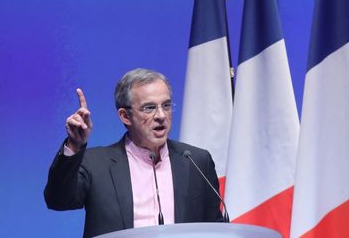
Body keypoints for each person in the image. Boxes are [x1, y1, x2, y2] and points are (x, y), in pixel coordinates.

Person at [44, 68, 223, 238]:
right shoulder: (95, 164)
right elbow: (58, 200)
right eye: (149, 108)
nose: (161, 115)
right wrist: (74, 145)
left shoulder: (196, 161)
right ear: (125, 116)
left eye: (166, 105)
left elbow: (215, 228)